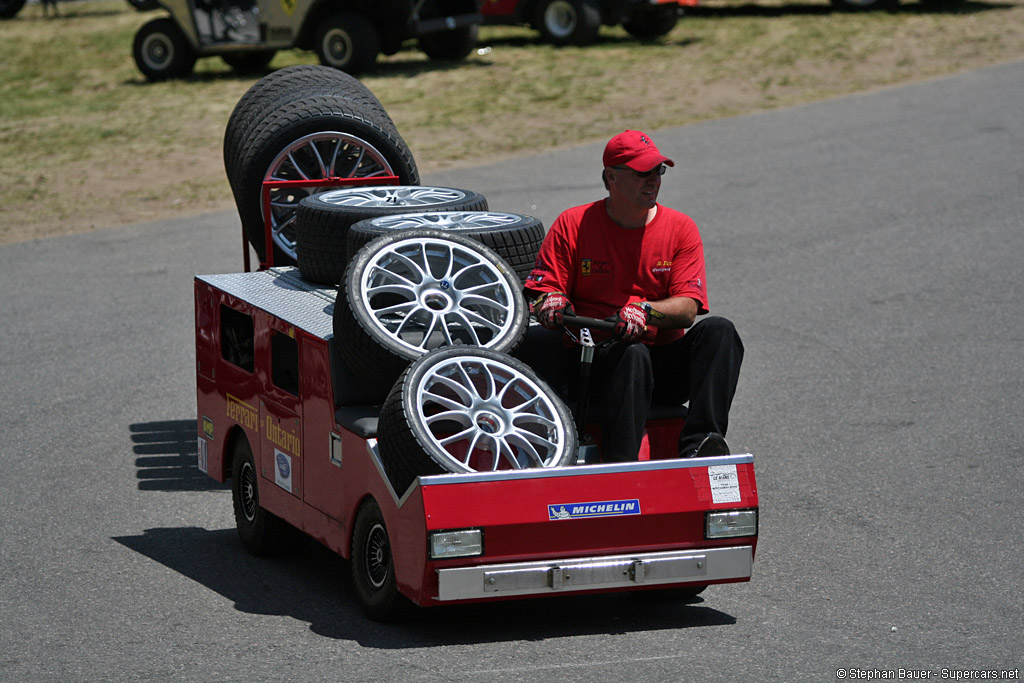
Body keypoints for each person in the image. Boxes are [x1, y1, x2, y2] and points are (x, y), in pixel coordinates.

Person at [523, 130, 744, 461]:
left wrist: (644, 311)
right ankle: (622, 464)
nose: (654, 180)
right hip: (594, 362)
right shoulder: (573, 224)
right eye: (643, 172)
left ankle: (701, 444)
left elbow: (687, 308)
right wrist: (551, 302)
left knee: (721, 332)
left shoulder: (680, 228)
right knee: (632, 352)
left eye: (659, 171)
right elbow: (542, 292)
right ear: (611, 177)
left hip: (661, 365)